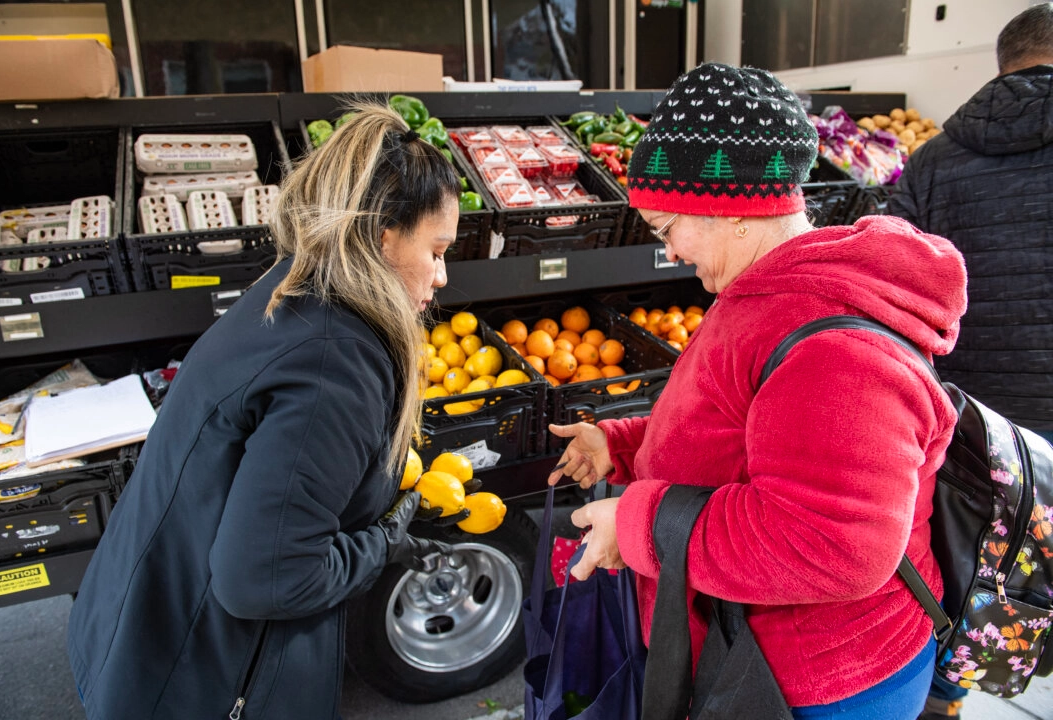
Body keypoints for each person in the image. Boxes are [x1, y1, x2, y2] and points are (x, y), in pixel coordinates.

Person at [547, 62, 967, 719]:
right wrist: (625, 444)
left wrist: (638, 525)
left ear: (729, 209)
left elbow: (834, 546)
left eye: (666, 230)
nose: (671, 253)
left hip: (817, 684)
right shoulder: (766, 290)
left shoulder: (833, 347)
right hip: (753, 658)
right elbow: (746, 428)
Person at [66, 104, 460, 719]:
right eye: (435, 250)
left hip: (143, 637)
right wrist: (382, 540)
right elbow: (269, 579)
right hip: (198, 682)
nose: (441, 276)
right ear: (384, 234)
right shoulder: (338, 360)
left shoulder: (296, 287)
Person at [888, 6, 1053, 717]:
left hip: (969, 422)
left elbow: (888, 284)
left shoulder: (933, 159)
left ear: (1001, 64)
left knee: (967, 574)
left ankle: (946, 693)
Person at [889, 3, 1053, 447]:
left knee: (990, 517)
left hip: (968, 412)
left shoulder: (931, 159)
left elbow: (891, 273)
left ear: (1003, 62)